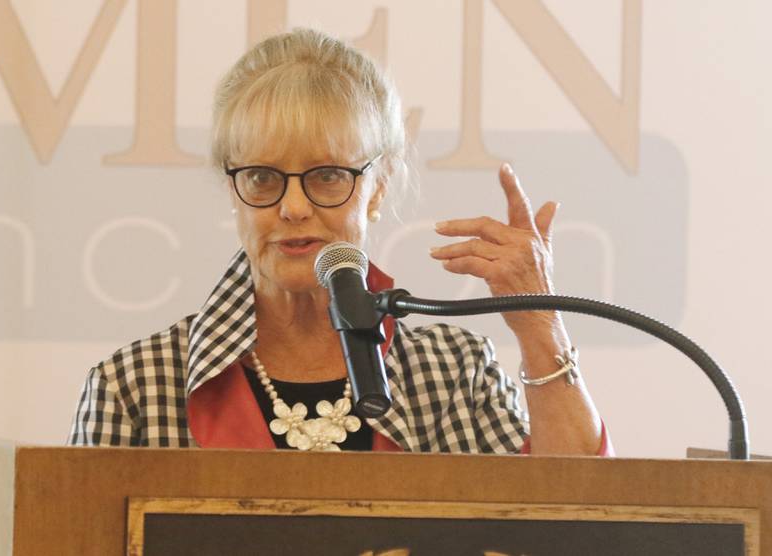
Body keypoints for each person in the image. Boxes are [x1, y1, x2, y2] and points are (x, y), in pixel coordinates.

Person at [68, 28, 610, 455]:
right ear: (232, 189)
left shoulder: (454, 373)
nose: (294, 206)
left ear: (379, 188)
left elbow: (579, 521)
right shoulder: (136, 387)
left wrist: (540, 324)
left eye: (327, 175)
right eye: (262, 177)